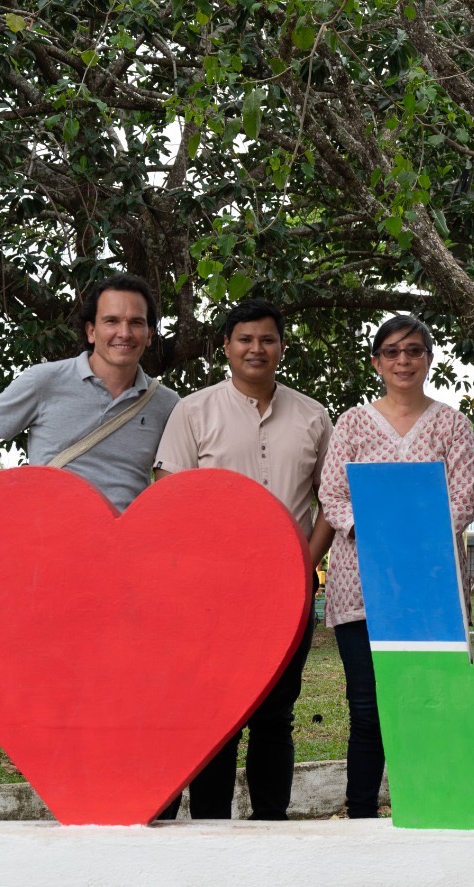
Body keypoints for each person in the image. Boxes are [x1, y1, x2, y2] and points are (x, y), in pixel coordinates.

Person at [152, 299, 332, 820]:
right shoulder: (194, 411)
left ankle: (271, 823)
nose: (257, 348)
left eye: (268, 339)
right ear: (227, 346)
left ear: (281, 346)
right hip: (213, 594)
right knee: (216, 713)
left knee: (276, 714)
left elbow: (332, 501)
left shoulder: (312, 415)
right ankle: (211, 826)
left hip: (290, 589)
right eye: (246, 339)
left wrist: (306, 563)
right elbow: (171, 497)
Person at [311, 315, 474, 818]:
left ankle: (427, 805)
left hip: (429, 587)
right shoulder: (353, 423)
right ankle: (361, 811)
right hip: (360, 584)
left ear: (429, 358)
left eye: (413, 350)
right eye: (391, 352)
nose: (403, 360)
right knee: (365, 705)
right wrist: (379, 536)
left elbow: (463, 498)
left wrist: (412, 542)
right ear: (376, 362)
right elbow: (333, 494)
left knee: (428, 700)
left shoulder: (451, 424)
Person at [0, 273, 179, 512]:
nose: (124, 333)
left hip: (124, 544)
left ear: (150, 335)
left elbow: (172, 486)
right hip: (51, 541)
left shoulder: (167, 404)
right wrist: (12, 511)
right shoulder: (44, 380)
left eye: (136, 322)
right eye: (111, 321)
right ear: (91, 331)